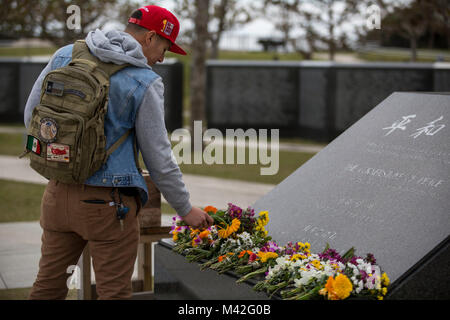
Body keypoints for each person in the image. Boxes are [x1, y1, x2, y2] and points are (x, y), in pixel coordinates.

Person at [25, 5, 213, 300]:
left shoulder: (66, 54)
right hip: (109, 208)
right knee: (114, 293)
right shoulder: (144, 81)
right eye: (165, 47)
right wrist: (185, 209)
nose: (163, 58)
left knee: (48, 287)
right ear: (150, 37)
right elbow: (159, 159)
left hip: (57, 197)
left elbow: (31, 118)